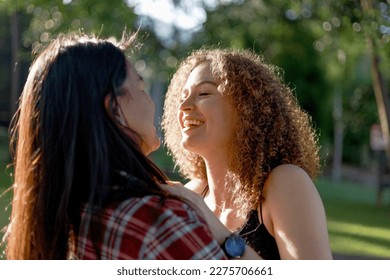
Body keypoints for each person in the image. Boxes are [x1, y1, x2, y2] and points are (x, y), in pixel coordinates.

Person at [4, 33, 261, 260]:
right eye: (140, 87)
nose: (176, 107)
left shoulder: (54, 220)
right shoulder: (155, 221)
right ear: (114, 109)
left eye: (204, 93)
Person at [162, 48, 333, 260]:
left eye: (204, 93)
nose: (184, 107)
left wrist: (220, 233)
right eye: (182, 97)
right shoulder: (193, 194)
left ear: (246, 108)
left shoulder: (286, 183)